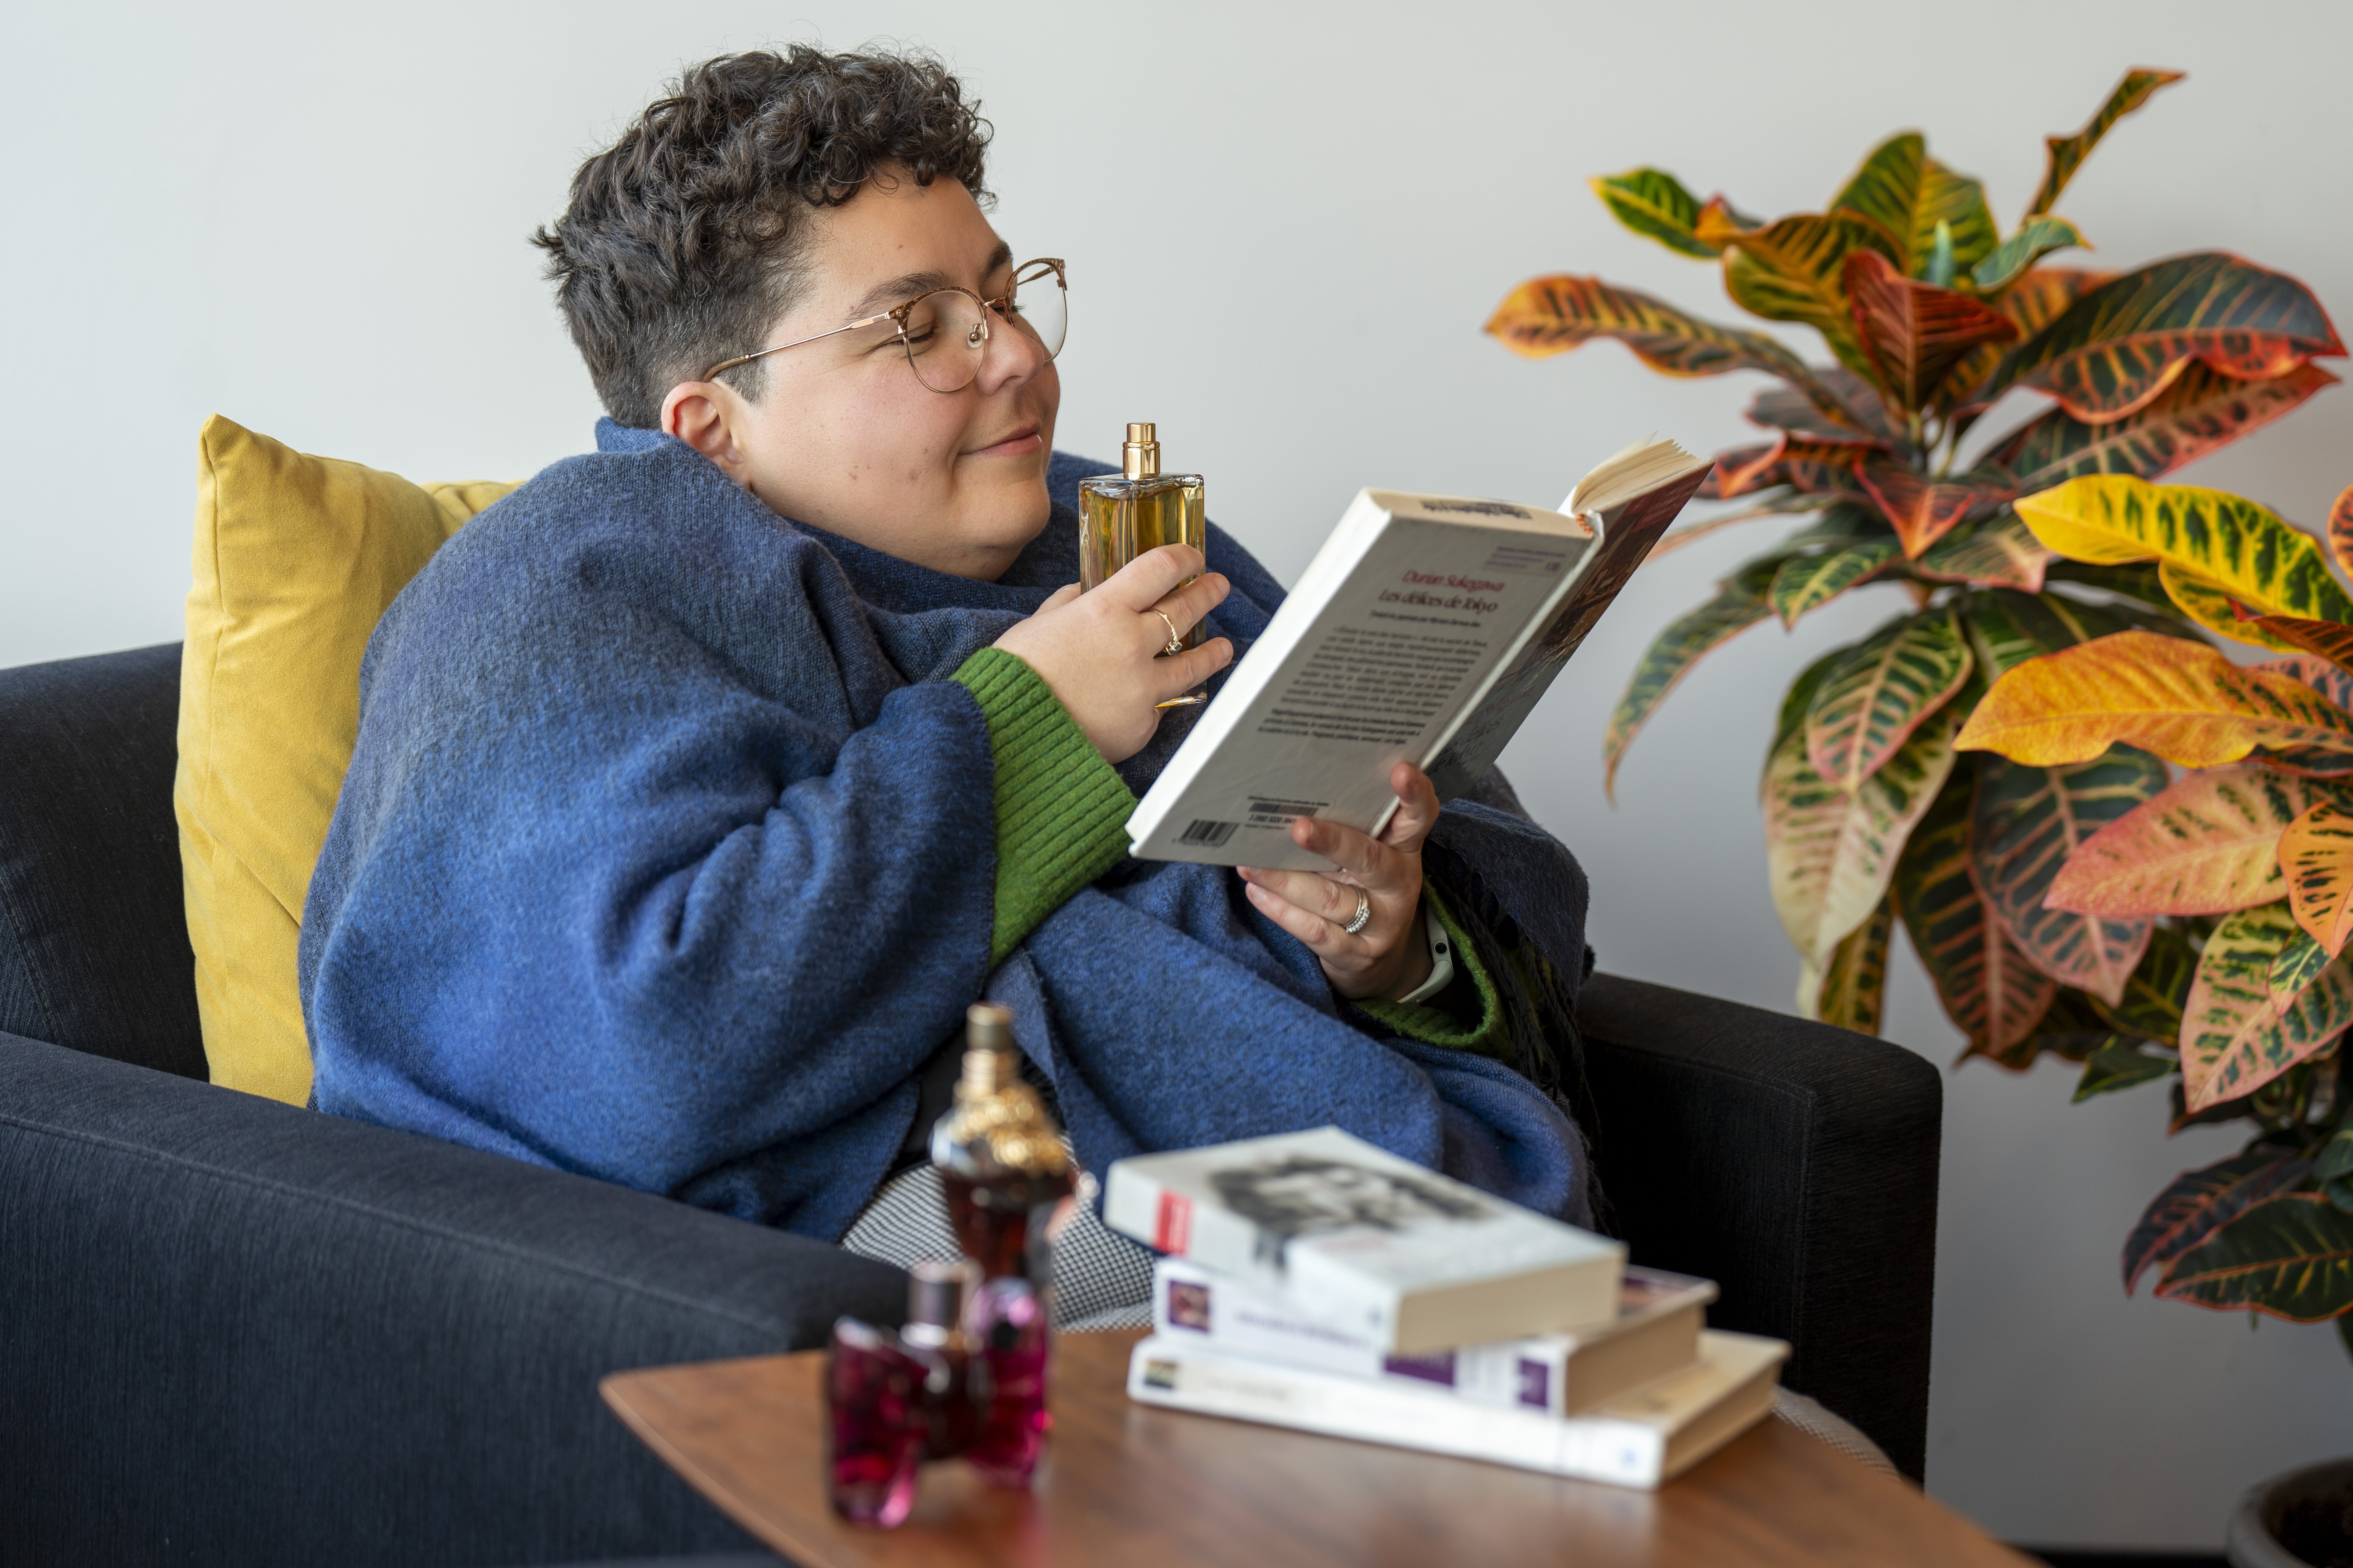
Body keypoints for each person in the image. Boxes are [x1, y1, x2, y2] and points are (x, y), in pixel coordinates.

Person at [300, 46, 1598, 1326]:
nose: (1016, 359)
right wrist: (1038, 720)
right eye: (917, 328)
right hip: (797, 1223)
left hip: (1222, 1146)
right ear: (713, 431)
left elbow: (1456, 903)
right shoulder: (572, 576)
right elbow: (653, 1043)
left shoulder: (1108, 527)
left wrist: (1389, 952)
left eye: (1004, 295)